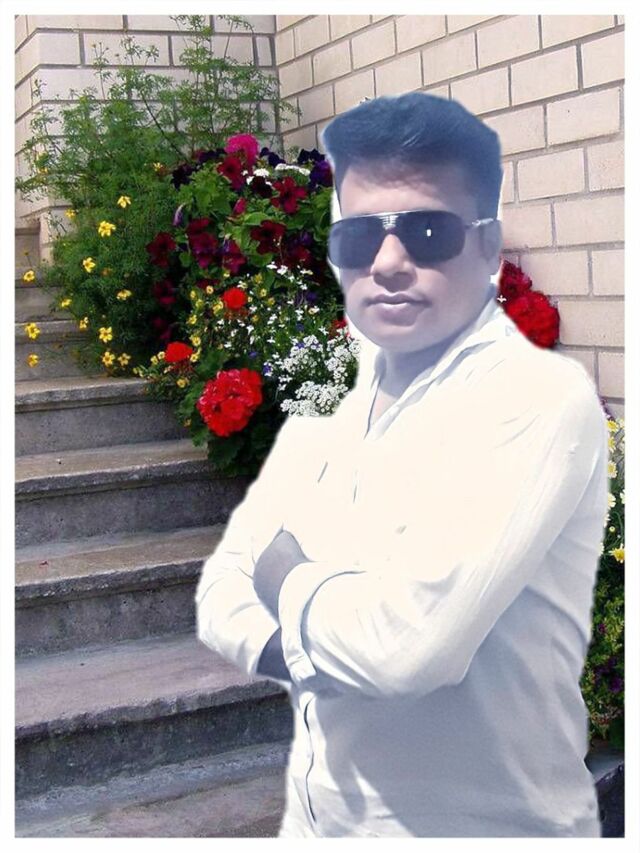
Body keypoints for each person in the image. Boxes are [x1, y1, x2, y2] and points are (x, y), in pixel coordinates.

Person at [195, 92, 609, 837]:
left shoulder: (535, 400)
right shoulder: (330, 411)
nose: (388, 262)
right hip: (318, 824)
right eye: (359, 235)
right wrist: (328, 641)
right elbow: (222, 590)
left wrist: (286, 579)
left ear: (488, 247)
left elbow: (406, 651)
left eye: (427, 231)